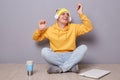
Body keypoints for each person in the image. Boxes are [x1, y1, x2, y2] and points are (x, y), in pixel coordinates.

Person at [32, 2, 93, 74]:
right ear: (57, 17)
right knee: (44, 51)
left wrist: (81, 13)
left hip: (71, 56)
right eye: (63, 14)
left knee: (83, 47)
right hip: (56, 57)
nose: (66, 16)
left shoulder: (74, 27)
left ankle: (61, 69)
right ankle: (71, 67)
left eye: (67, 14)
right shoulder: (50, 30)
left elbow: (89, 27)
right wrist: (39, 30)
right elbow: (36, 38)